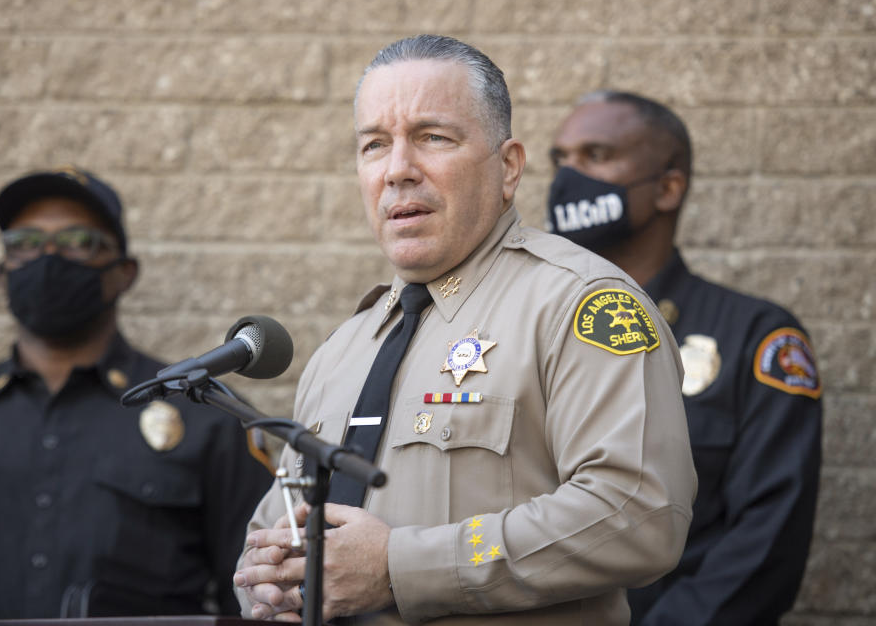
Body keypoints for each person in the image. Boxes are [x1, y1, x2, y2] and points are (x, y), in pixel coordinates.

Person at [233, 35, 696, 625]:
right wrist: (265, 585)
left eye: (433, 137)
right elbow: (271, 532)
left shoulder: (580, 306)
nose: (398, 170)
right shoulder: (343, 350)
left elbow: (640, 514)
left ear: (508, 168)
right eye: (375, 145)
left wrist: (399, 567)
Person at [0, 166, 273, 619]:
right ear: (1, 272)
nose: (47, 258)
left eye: (78, 242)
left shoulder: (210, 417)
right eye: (23, 243)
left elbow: (256, 600)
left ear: (124, 273)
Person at [545, 90, 822, 625]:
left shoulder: (756, 339)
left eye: (596, 156)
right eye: (561, 159)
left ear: (668, 187)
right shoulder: (530, 330)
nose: (567, 177)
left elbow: (766, 542)